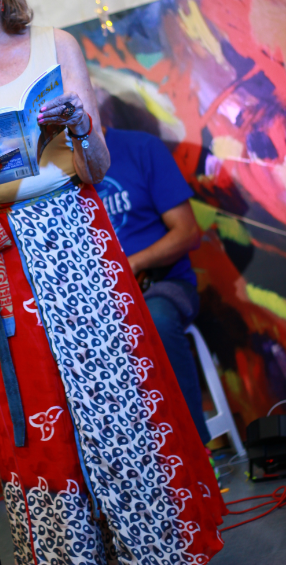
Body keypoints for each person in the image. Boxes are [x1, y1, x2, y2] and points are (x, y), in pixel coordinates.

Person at [0, 0, 225, 565]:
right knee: (38, 414)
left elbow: (96, 165)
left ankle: (152, 546)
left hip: (73, 236)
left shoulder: (56, 45)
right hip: (0, 253)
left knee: (112, 398)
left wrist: (79, 127)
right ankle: (68, 555)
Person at [94, 121, 211, 446]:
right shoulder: (57, 171)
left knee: (156, 321)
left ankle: (196, 449)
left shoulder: (141, 148)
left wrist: (133, 264)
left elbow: (188, 232)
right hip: (100, 301)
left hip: (161, 284)